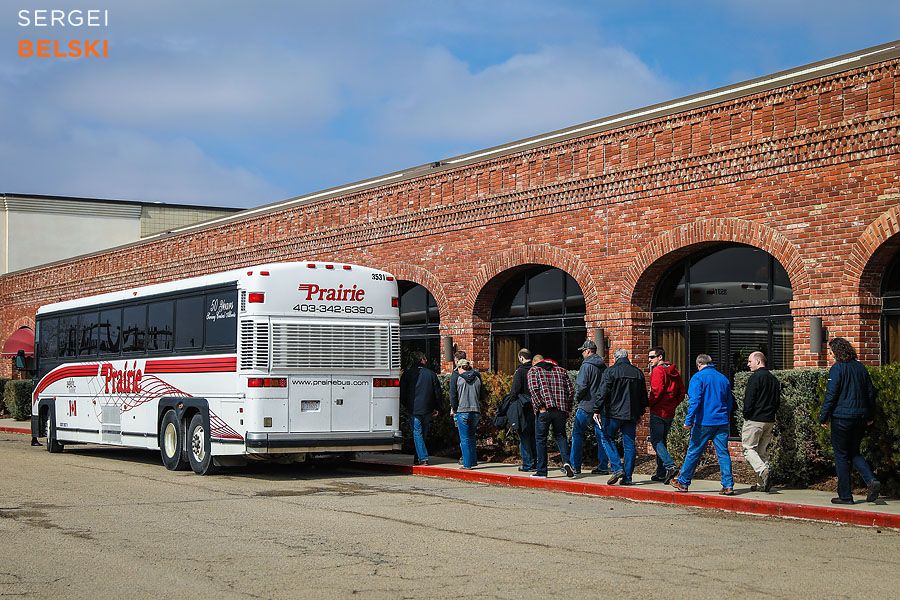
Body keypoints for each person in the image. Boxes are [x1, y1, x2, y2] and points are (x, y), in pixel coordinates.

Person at [818, 337, 881, 504]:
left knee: (841, 456)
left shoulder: (837, 369)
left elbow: (831, 395)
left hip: (841, 419)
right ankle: (871, 480)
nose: (831, 355)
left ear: (837, 352)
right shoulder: (860, 368)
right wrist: (869, 416)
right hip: (860, 418)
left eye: (831, 352)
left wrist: (823, 416)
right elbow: (870, 393)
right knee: (854, 451)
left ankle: (845, 495)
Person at [671, 354, 734, 495]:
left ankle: (683, 482)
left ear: (699, 364)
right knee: (723, 453)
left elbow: (695, 401)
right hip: (721, 421)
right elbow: (729, 402)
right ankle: (728, 485)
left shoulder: (698, 378)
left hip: (704, 422)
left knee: (694, 452)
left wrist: (688, 421)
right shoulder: (723, 378)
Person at [594, 349, 648, 485]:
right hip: (631, 414)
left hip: (613, 413)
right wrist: (640, 413)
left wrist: (596, 410)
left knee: (606, 438)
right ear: (627, 357)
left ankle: (617, 467)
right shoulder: (638, 373)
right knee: (629, 445)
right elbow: (643, 398)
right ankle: (628, 477)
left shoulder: (611, 371)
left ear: (615, 358)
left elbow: (602, 392)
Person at [527, 354, 575, 478]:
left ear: (535, 362)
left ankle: (542, 471)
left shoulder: (534, 371)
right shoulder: (562, 371)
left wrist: (540, 406)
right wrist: (567, 409)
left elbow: (533, 389)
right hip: (560, 410)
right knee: (561, 436)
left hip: (545, 410)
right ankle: (566, 462)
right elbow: (571, 391)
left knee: (541, 439)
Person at [570, 340, 611, 475]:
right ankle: (603, 466)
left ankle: (575, 466)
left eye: (583, 351)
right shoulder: (603, 366)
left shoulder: (586, 366)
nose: (582, 353)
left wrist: (577, 399)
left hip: (586, 406)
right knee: (601, 436)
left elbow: (582, 386)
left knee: (577, 435)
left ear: (588, 351)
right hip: (600, 407)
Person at [742, 351, 780, 492]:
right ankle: (761, 484)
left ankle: (764, 470)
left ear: (758, 361)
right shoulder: (773, 379)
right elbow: (777, 401)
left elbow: (749, 400)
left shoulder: (755, 377)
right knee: (761, 452)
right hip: (769, 420)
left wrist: (747, 414)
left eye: (750, 361)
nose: (748, 364)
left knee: (748, 449)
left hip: (755, 420)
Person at [647, 346, 685, 484]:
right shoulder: (675, 372)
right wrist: (673, 404)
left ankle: (670, 466)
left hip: (658, 411)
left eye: (652, 357)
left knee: (656, 441)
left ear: (660, 357)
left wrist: (649, 403)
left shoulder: (658, 371)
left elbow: (656, 392)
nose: (649, 360)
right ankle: (661, 473)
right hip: (669, 412)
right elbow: (681, 392)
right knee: (662, 442)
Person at [399, 351, 442, 466]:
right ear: (422, 360)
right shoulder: (431, 374)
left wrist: (406, 405)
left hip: (413, 408)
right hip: (427, 408)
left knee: (417, 433)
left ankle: (422, 458)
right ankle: (419, 457)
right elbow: (437, 392)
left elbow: (402, 393)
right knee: (423, 432)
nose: (426, 361)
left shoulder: (407, 374)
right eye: (425, 359)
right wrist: (436, 407)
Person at [452, 358, 483, 469]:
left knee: (464, 438)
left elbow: (454, 396)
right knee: (471, 436)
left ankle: (467, 463)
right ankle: (473, 460)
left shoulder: (458, 379)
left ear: (461, 367)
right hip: (475, 410)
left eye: (458, 368)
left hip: (462, 410)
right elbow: (482, 395)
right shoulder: (477, 378)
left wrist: (454, 409)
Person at [510, 348, 536, 471]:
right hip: (536, 406)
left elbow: (515, 390)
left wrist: (512, 402)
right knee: (535, 436)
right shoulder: (536, 369)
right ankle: (536, 462)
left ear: (521, 358)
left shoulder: (520, 371)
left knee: (524, 436)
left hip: (523, 406)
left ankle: (528, 464)